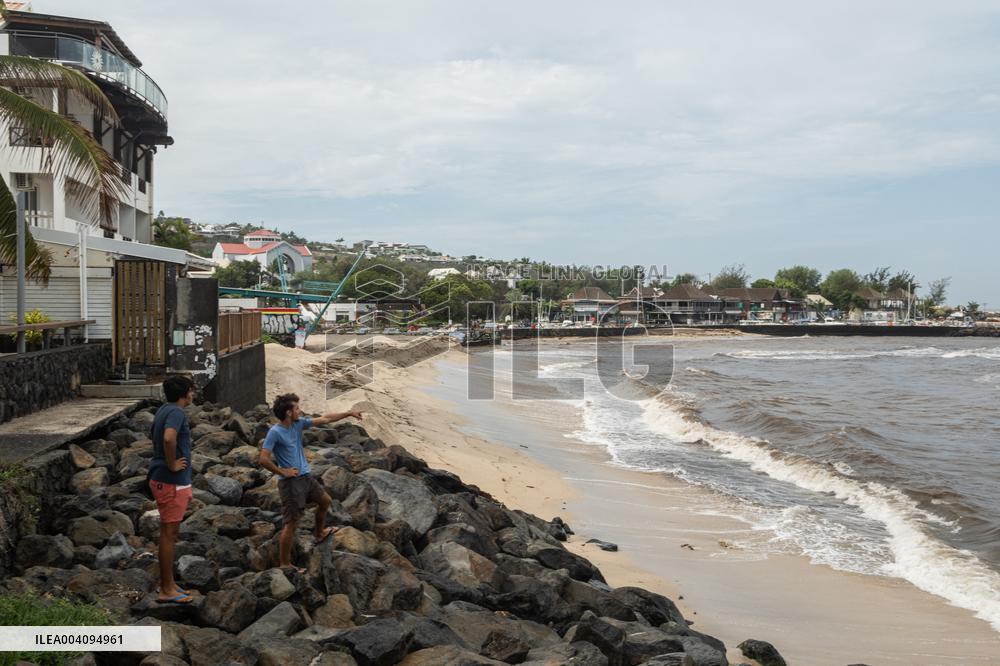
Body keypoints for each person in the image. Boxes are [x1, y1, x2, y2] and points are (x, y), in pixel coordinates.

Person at [259, 393, 363, 573]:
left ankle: (318, 532)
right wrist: (282, 471)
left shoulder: (298, 424)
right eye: (297, 408)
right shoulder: (275, 432)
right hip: (291, 484)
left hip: (306, 478)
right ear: (289, 412)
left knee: (325, 501)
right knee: (291, 523)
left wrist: (348, 413)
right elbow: (263, 459)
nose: (300, 411)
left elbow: (324, 419)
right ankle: (284, 563)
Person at [147, 375, 195, 604]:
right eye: (191, 391)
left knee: (169, 534)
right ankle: (166, 588)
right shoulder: (177, 412)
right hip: (170, 481)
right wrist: (172, 463)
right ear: (185, 393)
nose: (193, 395)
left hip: (164, 479)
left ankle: (169, 583)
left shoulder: (163, 410)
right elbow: (168, 439)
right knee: (168, 535)